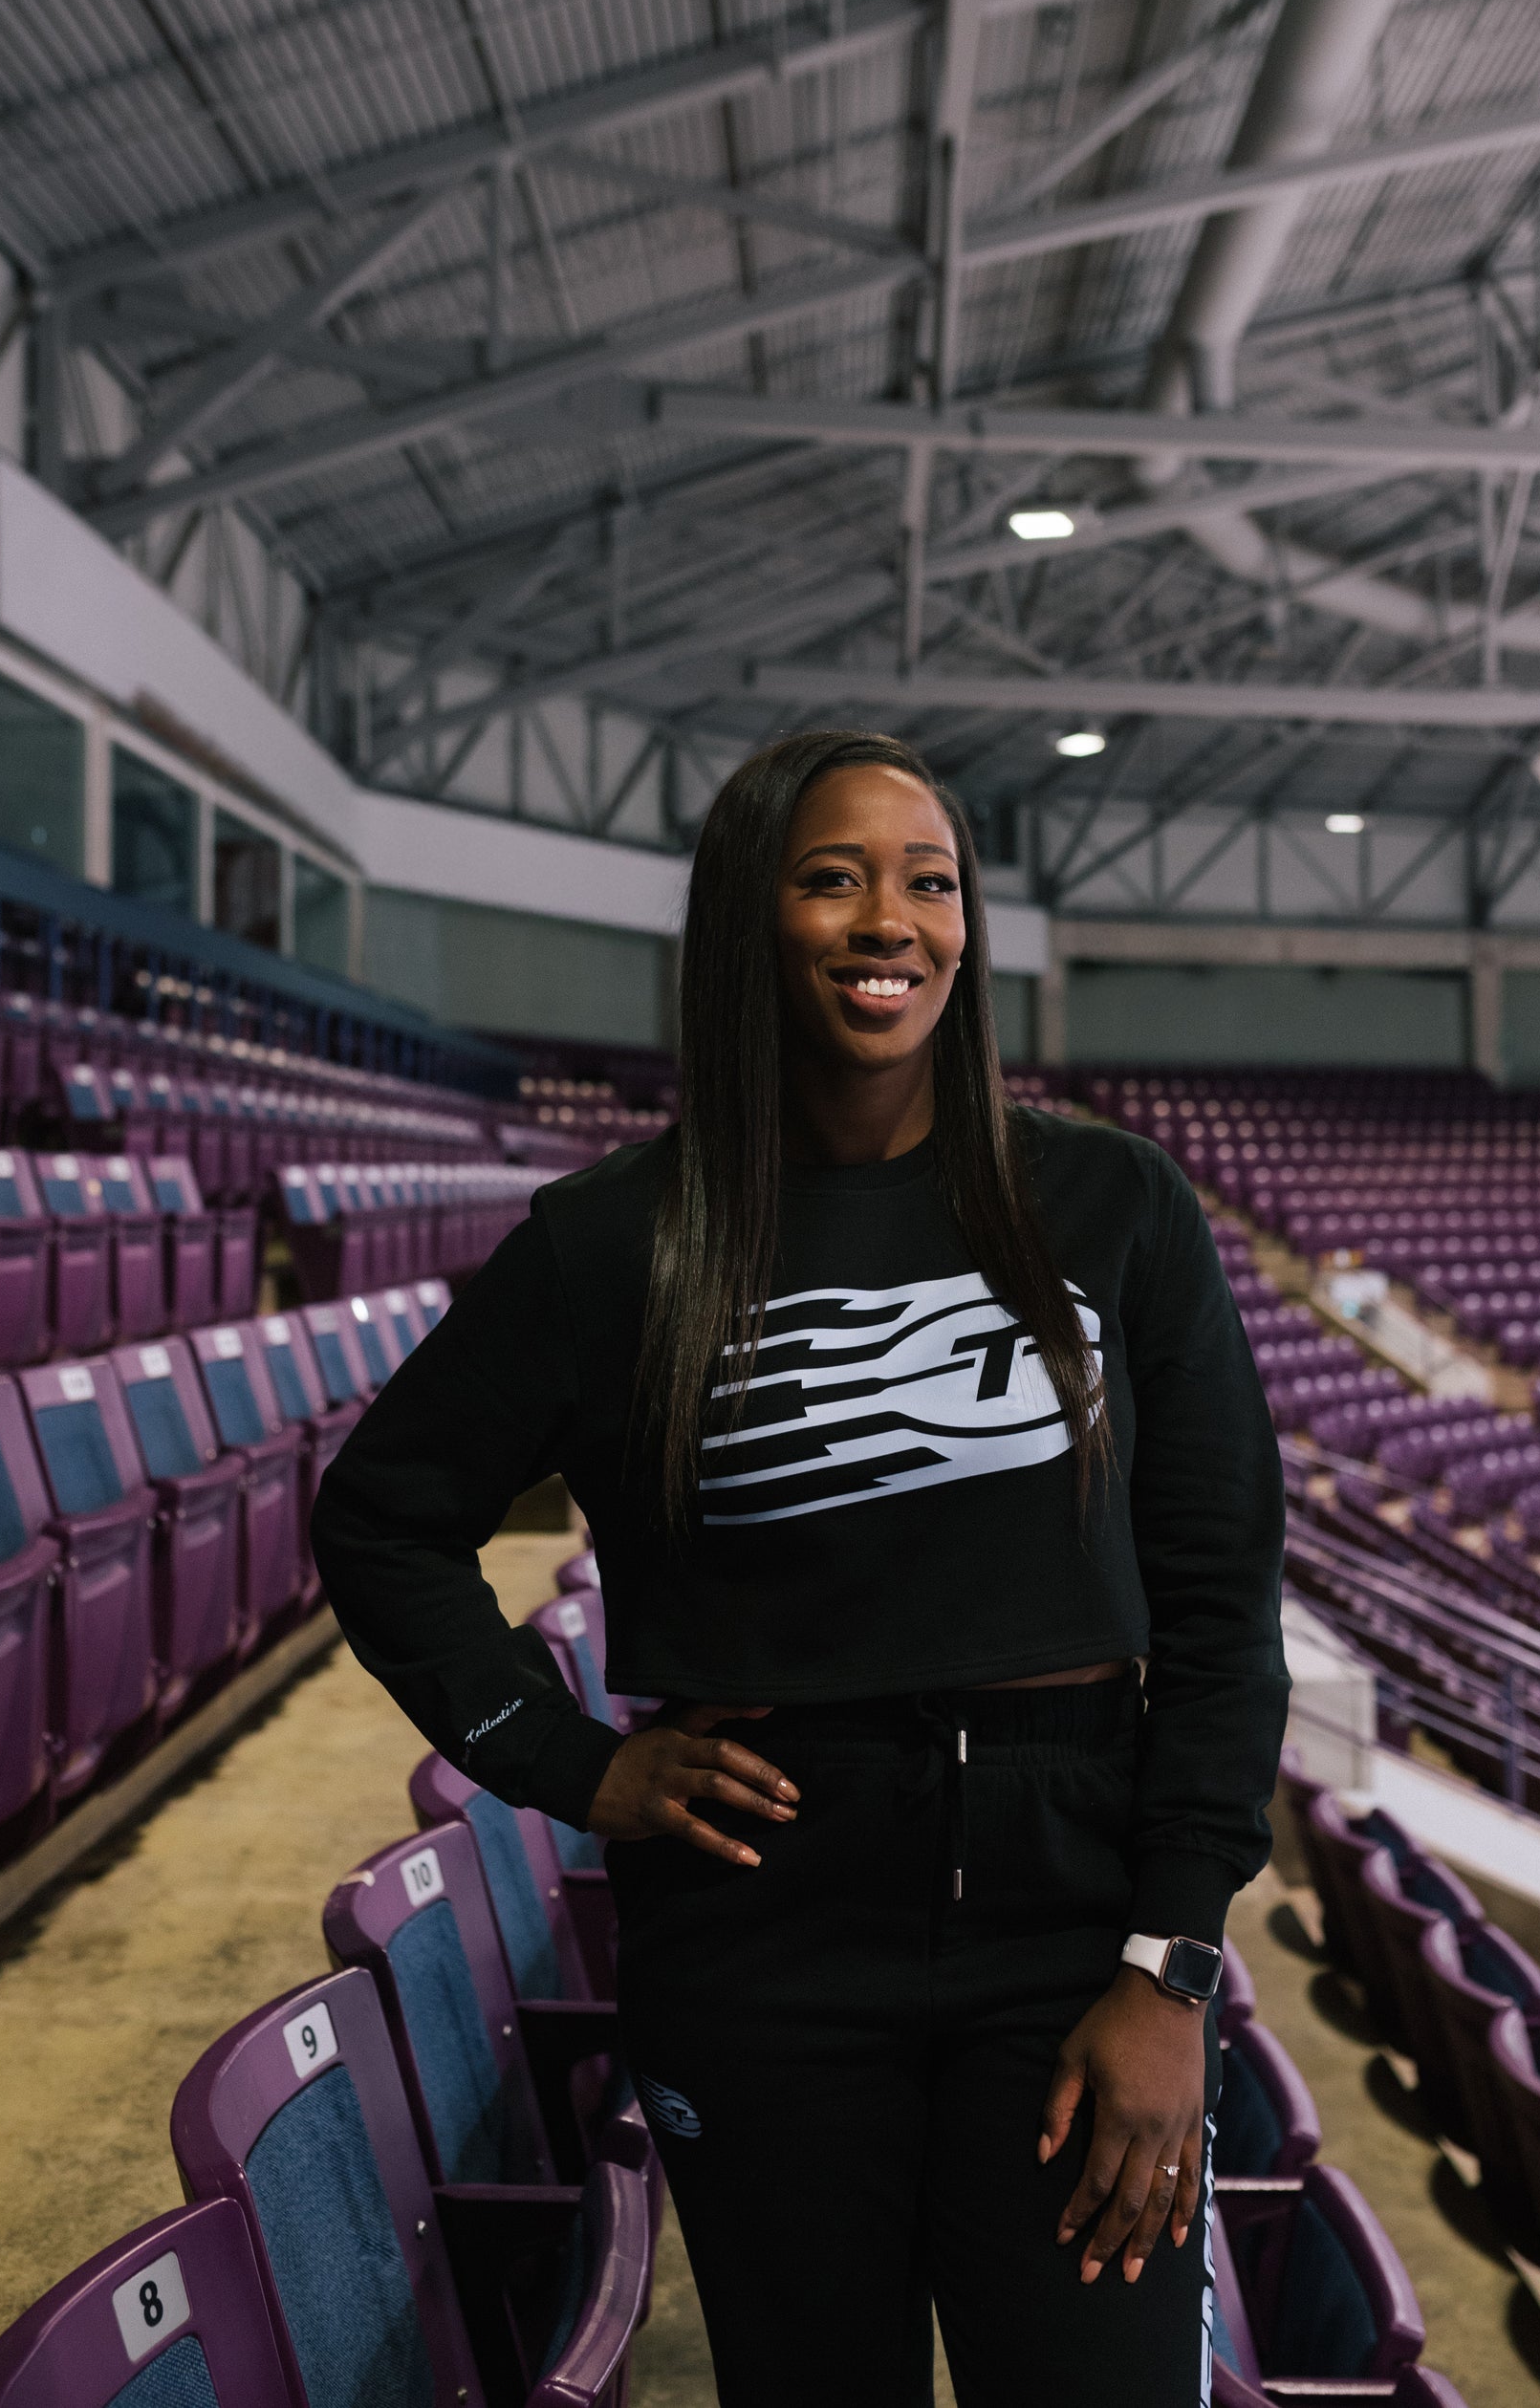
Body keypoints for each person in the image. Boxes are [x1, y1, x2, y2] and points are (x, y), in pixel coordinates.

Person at [312, 727, 1289, 2408]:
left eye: (928, 882)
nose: (887, 919)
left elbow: (1220, 1602)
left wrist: (1170, 1967)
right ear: (751, 925)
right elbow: (380, 1516)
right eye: (832, 879)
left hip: (1067, 1910)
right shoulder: (616, 1241)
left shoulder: (1112, 1204)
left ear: (967, 932)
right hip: (763, 1918)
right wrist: (570, 1764)